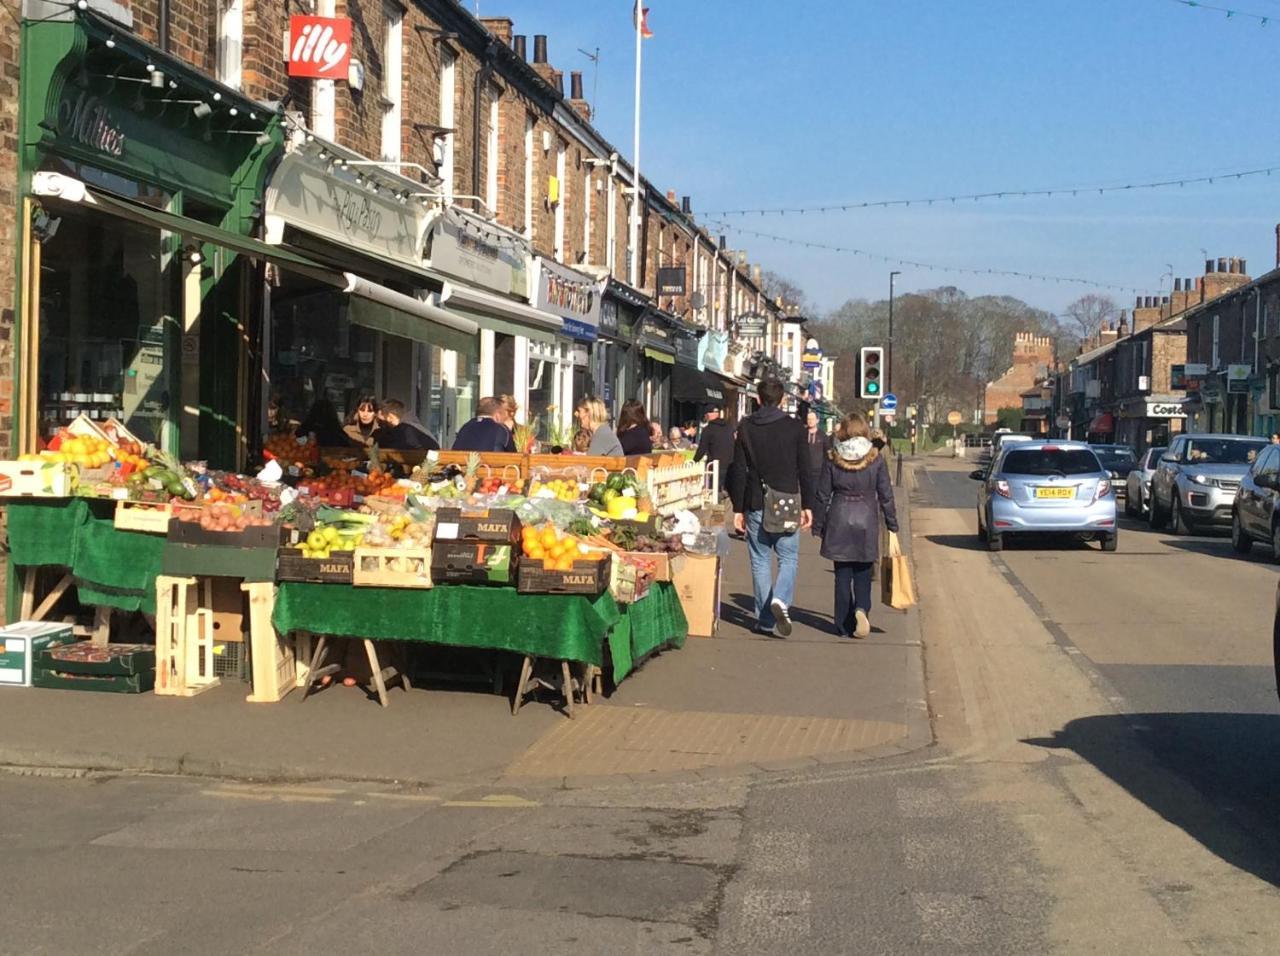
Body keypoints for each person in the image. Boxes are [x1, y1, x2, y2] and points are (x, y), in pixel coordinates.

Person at [728, 379, 815, 637]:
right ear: (783, 400)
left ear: (757, 399)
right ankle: (781, 599)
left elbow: (738, 471)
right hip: (787, 502)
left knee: (760, 560)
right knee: (788, 558)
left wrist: (738, 508)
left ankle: (765, 619)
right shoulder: (795, 428)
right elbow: (805, 470)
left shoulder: (746, 428)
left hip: (755, 501)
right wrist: (808, 505)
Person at [813, 412, 899, 639]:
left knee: (842, 574)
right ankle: (862, 608)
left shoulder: (833, 457)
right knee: (863, 571)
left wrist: (818, 524)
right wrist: (892, 523)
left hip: (839, 518)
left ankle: (842, 623)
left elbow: (822, 494)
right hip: (867, 519)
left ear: (843, 431)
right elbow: (886, 494)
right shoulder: (875, 458)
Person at [453, 396, 518, 453]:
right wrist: (508, 431)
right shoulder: (501, 429)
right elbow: (514, 456)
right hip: (490, 466)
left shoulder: (466, 427)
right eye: (503, 418)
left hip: (463, 465)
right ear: (497, 416)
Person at [694, 406, 735, 495]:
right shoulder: (729, 427)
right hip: (730, 465)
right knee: (727, 495)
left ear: (708, 415)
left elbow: (701, 450)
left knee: (713, 493)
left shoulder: (708, 430)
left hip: (715, 466)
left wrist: (694, 461)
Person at [802, 410, 829, 490]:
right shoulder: (802, 433)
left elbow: (827, 451)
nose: (810, 421)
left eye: (812, 419)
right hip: (804, 469)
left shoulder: (823, 435)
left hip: (818, 470)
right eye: (808, 419)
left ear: (817, 420)